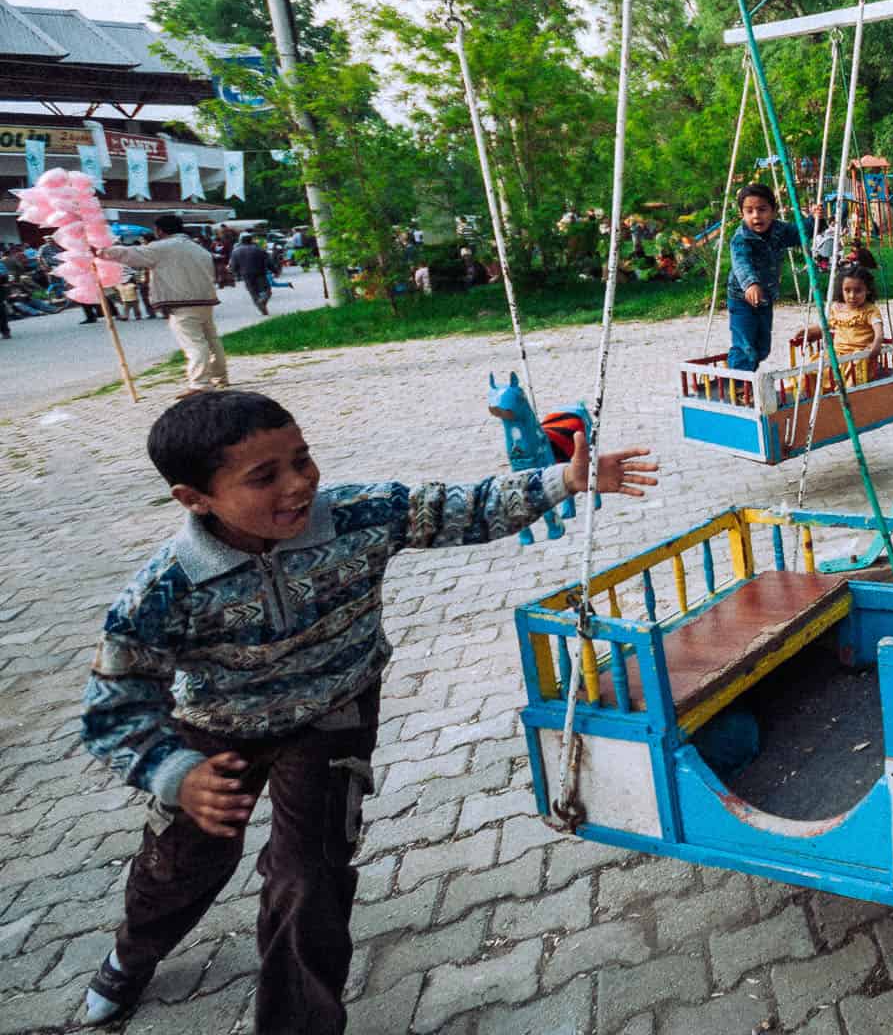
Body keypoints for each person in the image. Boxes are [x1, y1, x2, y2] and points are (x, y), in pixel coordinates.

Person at [77, 390, 657, 1030]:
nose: (298, 485)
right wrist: (172, 771)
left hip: (333, 716)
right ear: (195, 498)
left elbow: (463, 508)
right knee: (181, 865)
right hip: (214, 739)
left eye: (303, 460)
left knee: (311, 880)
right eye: (264, 477)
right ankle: (133, 955)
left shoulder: (358, 514)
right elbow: (116, 700)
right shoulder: (166, 588)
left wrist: (565, 481)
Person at [100, 216, 228, 393]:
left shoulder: (162, 248)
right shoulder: (197, 248)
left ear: (159, 230)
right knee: (211, 341)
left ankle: (200, 383)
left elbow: (131, 254)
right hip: (205, 300)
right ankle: (220, 377)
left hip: (182, 304)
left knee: (195, 344)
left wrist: (102, 252)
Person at [726, 183, 803, 373]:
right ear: (741, 214)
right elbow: (741, 263)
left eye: (762, 210)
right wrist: (751, 283)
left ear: (773, 211)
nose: (756, 216)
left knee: (762, 347)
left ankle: (739, 373)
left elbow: (799, 233)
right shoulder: (741, 238)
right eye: (749, 211)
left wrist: (815, 221)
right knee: (745, 345)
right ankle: (739, 382)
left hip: (765, 297)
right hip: (741, 298)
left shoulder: (779, 231)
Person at [826, 265, 884, 384]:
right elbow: (826, 327)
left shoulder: (870, 310)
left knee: (853, 375)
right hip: (837, 355)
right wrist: (809, 331)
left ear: (867, 290)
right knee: (817, 369)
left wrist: (877, 342)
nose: (852, 296)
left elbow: (878, 329)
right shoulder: (837, 308)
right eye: (847, 290)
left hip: (859, 358)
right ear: (841, 290)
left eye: (858, 291)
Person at [229, 234, 272, 316]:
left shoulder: (236, 251)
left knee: (253, 292)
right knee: (267, 291)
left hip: (246, 275)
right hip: (260, 273)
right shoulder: (259, 249)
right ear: (251, 240)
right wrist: (275, 270)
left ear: (241, 241)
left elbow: (234, 265)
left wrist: (235, 274)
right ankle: (263, 300)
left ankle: (262, 308)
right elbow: (268, 261)